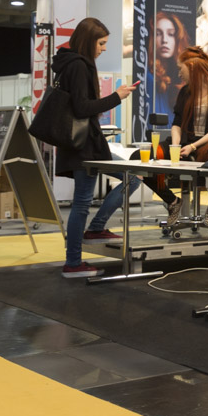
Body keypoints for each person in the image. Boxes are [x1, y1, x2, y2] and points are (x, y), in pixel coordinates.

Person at [51, 17, 140, 278]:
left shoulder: (68, 64)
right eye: (101, 43)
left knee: (131, 178)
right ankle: (73, 262)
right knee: (83, 203)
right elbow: (82, 108)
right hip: (85, 146)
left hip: (82, 144)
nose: (103, 48)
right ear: (88, 41)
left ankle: (95, 230)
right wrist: (116, 97)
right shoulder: (80, 66)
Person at [171, 46, 208, 226]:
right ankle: (172, 201)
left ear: (192, 68)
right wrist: (175, 145)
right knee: (146, 154)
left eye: (181, 69)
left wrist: (194, 146)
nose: (179, 74)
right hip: (186, 142)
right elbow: (177, 122)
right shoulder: (185, 92)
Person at [152, 12, 188, 119]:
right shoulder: (151, 78)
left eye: (170, 34)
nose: (164, 40)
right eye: (158, 34)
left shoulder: (180, 75)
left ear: (177, 38)